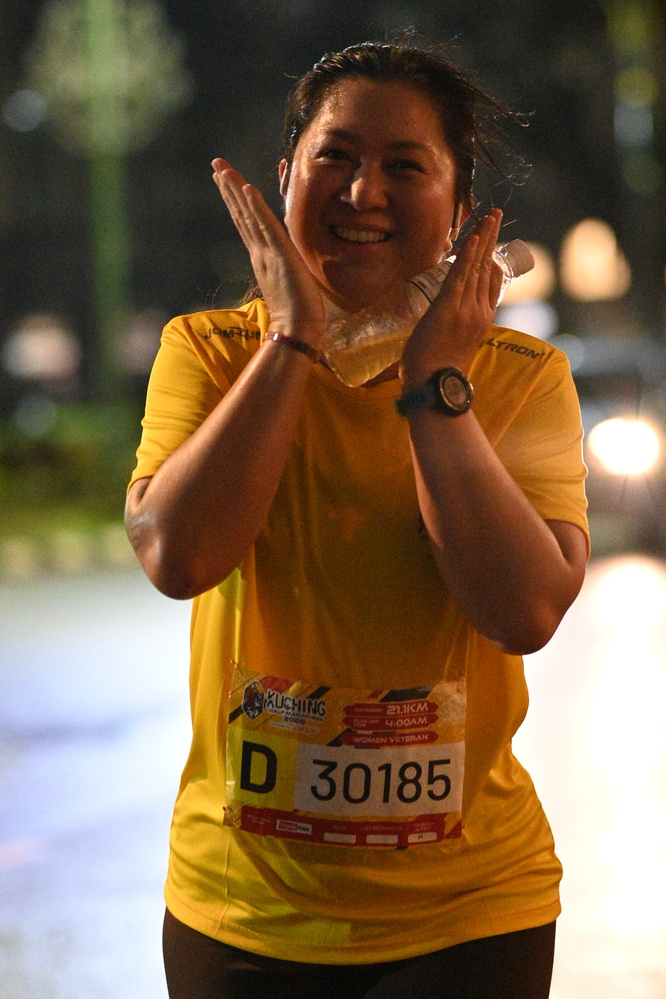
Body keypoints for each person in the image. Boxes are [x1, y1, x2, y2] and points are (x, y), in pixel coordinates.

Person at [125, 37, 589, 999]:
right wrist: (291, 340)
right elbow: (179, 556)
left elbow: (525, 612)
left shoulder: (520, 378)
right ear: (285, 178)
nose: (361, 191)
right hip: (244, 908)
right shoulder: (210, 353)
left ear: (462, 212)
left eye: (404, 166)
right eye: (334, 156)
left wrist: (435, 382)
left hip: (470, 912)